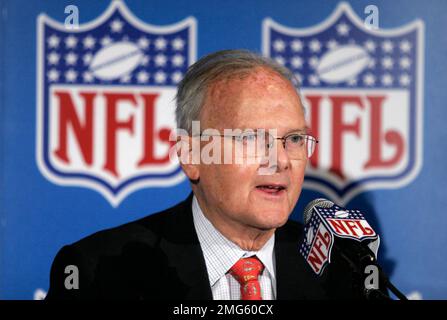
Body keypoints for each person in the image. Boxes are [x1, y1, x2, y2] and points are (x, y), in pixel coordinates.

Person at [46, 49, 364, 300]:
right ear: (190, 156)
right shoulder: (98, 272)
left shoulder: (341, 268)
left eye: (294, 139)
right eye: (251, 138)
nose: (280, 160)